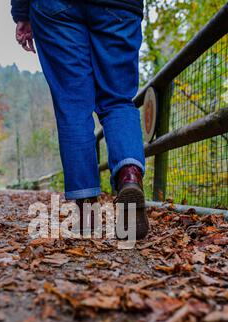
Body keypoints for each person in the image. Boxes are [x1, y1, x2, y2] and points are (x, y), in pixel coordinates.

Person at [10, 0, 149, 239]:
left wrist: (21, 13)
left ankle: (86, 211)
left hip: (54, 8)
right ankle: (129, 176)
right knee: (118, 99)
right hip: (120, 7)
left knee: (72, 105)